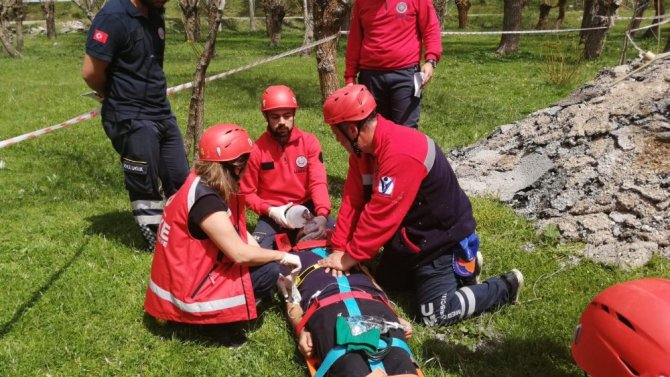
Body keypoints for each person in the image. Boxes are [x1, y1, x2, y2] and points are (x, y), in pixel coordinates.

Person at [319, 85, 524, 328]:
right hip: (412, 235)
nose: (337, 140)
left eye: (337, 134)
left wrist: (350, 256)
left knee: (435, 314)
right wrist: (340, 248)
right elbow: (353, 202)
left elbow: (380, 215)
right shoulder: (362, 154)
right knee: (386, 281)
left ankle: (504, 287)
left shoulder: (400, 152)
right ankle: (464, 270)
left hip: (438, 240)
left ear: (352, 129)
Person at [144, 124, 301, 327]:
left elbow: (236, 232)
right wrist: (281, 257)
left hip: (182, 280)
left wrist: (264, 256)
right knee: (268, 272)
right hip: (190, 299)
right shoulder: (207, 203)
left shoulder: (199, 184)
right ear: (236, 167)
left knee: (266, 266)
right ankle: (218, 327)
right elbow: (239, 254)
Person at [81, 0, 189, 250]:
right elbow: (90, 72)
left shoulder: (154, 13)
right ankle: (156, 245)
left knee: (180, 177)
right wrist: (113, 94)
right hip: (129, 115)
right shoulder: (113, 17)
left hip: (161, 111)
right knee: (144, 180)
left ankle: (182, 235)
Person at [278, 242, 419, 377]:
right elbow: (290, 298)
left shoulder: (346, 249)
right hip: (328, 309)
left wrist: (393, 313)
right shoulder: (289, 258)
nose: (308, 219)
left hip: (372, 302)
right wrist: (301, 329)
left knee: (399, 361)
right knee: (349, 364)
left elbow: (371, 281)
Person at [240, 85, 334, 249]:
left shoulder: (309, 142)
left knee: (339, 240)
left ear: (294, 115)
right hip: (274, 213)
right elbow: (247, 193)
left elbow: (318, 183)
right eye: (275, 117)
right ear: (266, 116)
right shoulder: (256, 150)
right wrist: (269, 211)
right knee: (258, 255)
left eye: (287, 116)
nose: (281, 122)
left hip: (307, 208)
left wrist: (322, 214)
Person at [344, 0, 443, 128]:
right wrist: (350, 77)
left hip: (406, 75)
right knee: (373, 131)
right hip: (370, 77)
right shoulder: (361, 2)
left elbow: (431, 28)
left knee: (407, 131)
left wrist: (431, 60)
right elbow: (354, 40)